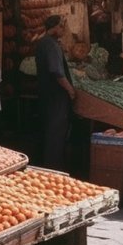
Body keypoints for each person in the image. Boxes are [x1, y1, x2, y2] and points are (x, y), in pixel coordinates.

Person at [35, 14, 77, 170]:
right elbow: (57, 72)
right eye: (61, 26)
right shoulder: (51, 45)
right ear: (53, 27)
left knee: (48, 133)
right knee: (55, 135)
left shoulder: (43, 43)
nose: (63, 29)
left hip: (46, 95)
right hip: (56, 97)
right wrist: (70, 90)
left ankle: (46, 167)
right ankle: (53, 169)